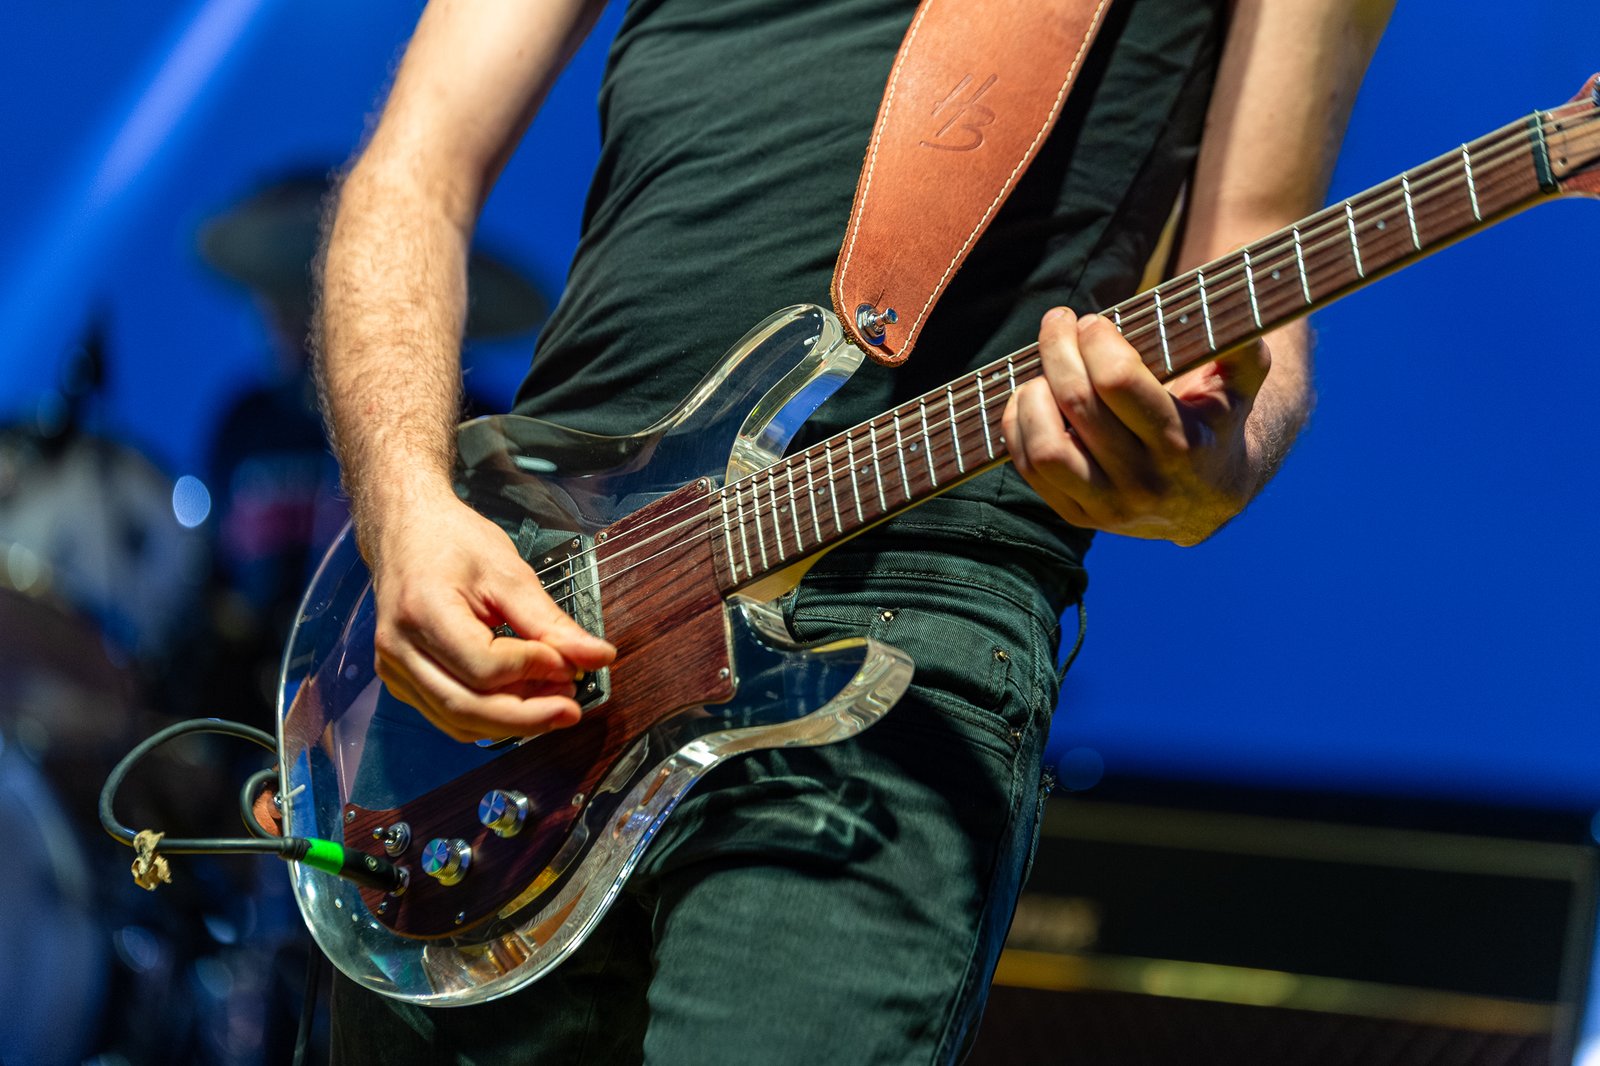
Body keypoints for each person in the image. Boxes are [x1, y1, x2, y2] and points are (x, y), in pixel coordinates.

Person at [314, 0, 1393, 1061]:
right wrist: (407, 508)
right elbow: (413, 168)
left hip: (898, 602)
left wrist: (1214, 463)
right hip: (542, 586)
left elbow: (1256, 243)